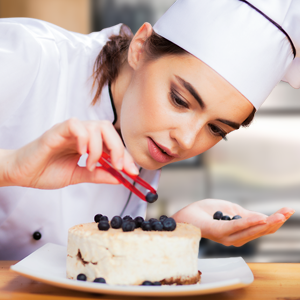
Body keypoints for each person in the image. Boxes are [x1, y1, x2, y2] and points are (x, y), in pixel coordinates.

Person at [0, 0, 297, 260]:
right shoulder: (24, 54)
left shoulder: (146, 134)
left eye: (216, 129)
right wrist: (12, 167)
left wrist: (172, 229)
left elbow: (86, 262)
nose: (187, 139)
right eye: (179, 100)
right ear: (140, 48)